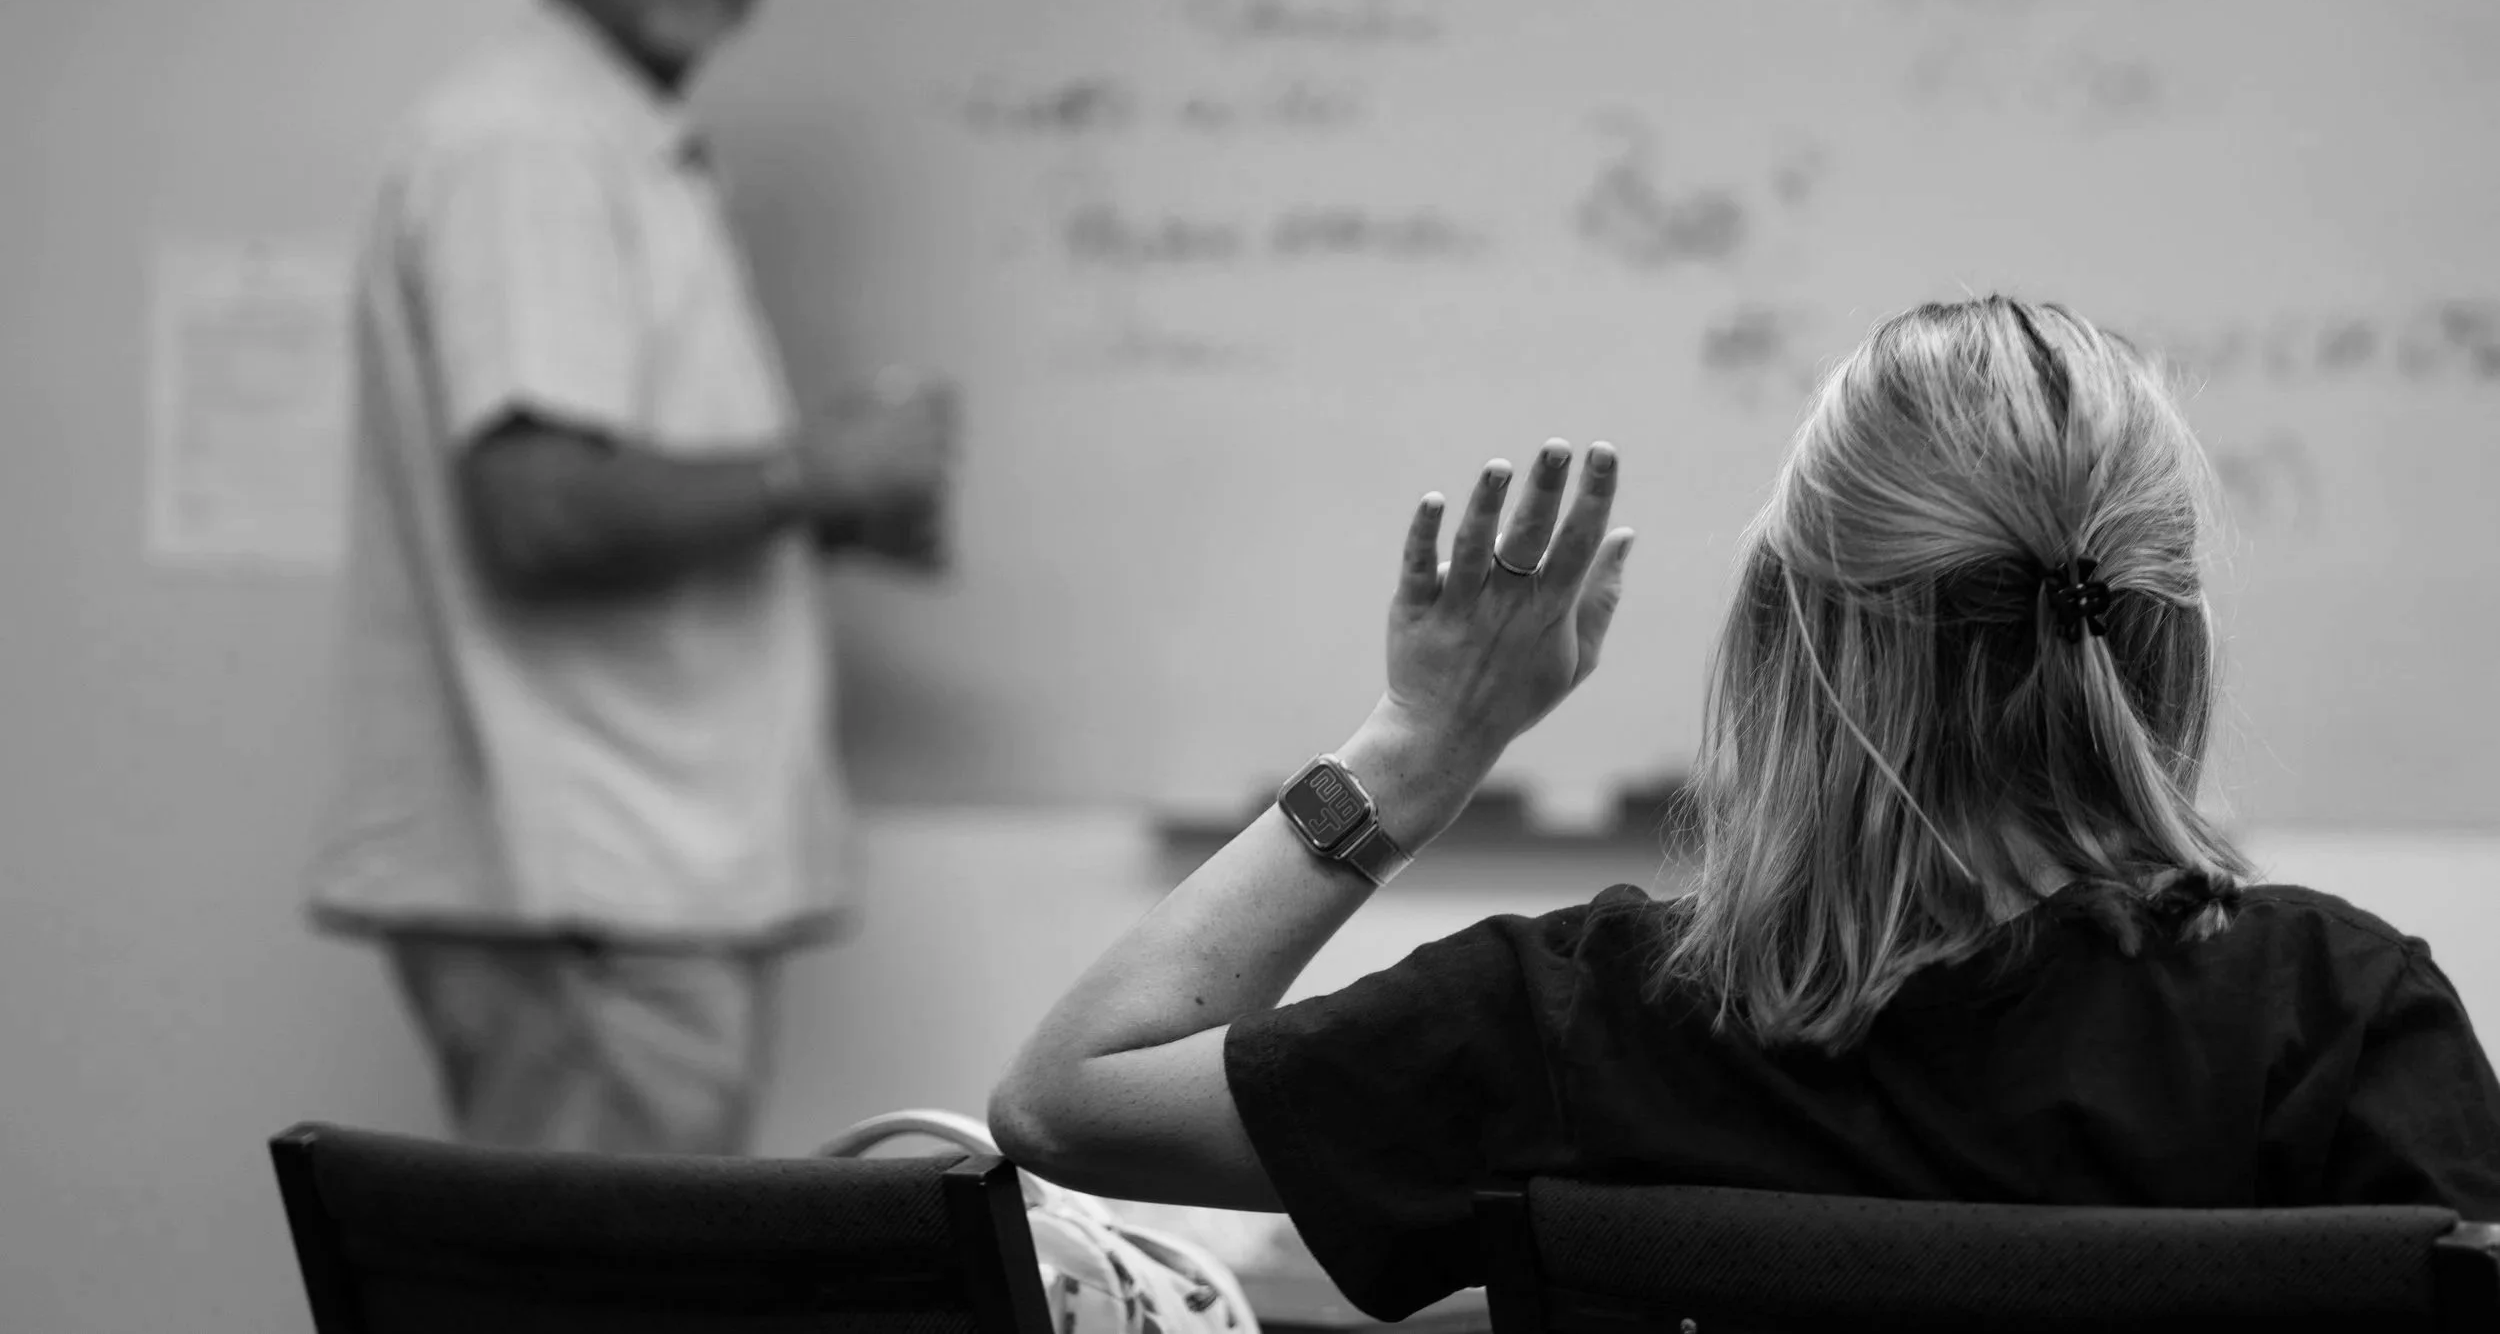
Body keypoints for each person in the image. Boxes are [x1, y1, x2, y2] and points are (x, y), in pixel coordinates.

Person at [988, 295, 2500, 1319]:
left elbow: (1065, 1097)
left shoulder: (1595, 1018)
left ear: (1788, 630)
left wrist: (1426, 744)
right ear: (2165, 633)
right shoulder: (2339, 1015)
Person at [304, 0, 954, 1156]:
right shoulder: (530, 142)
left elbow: (587, 475)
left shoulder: (608, 130)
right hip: (586, 891)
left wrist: (816, 509)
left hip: (615, 886)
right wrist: (813, 473)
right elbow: (536, 509)